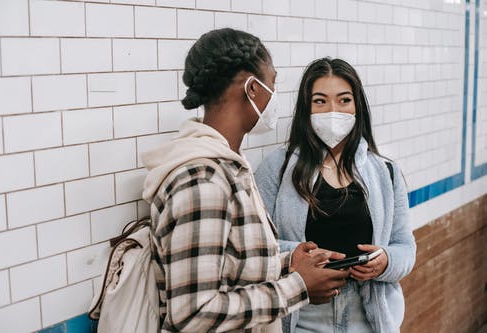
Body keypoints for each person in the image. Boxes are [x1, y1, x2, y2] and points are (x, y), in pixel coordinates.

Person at [141, 29, 350, 332]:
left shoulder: (229, 167)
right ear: (253, 88)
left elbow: (229, 269)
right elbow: (194, 313)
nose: (274, 97)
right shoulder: (203, 180)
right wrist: (298, 287)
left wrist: (288, 263)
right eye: (272, 83)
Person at [255, 58, 416, 333]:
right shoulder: (277, 168)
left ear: (357, 107)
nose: (333, 111)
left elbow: (405, 248)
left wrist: (385, 261)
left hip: (368, 315)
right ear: (306, 109)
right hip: (302, 314)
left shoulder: (385, 171)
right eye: (320, 101)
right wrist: (296, 255)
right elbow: (259, 248)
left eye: (344, 100)